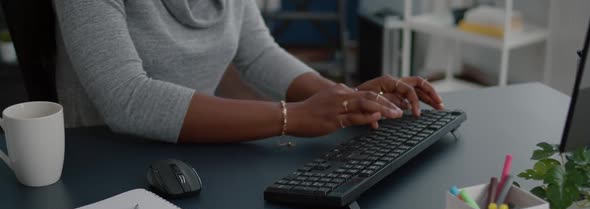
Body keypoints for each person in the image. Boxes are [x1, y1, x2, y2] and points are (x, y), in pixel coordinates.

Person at [53, 0, 444, 144]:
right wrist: (293, 117)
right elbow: (128, 99)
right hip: (102, 164)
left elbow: (259, 55)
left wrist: (346, 99)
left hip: (196, 153)